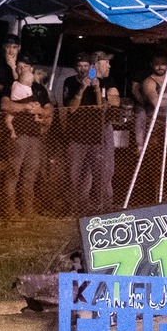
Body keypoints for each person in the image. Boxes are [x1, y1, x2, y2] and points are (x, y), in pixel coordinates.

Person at [62, 49, 121, 212]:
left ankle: (104, 205)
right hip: (77, 135)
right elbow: (71, 109)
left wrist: (96, 89)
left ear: (91, 67)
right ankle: (76, 206)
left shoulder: (101, 82)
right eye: (79, 66)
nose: (83, 69)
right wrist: (82, 88)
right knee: (75, 174)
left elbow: (101, 109)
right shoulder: (70, 82)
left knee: (101, 172)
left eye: (86, 66)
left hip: (96, 135)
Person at [0, 66, 52, 219]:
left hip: (34, 136)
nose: (23, 69)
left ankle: (27, 210)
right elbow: (5, 105)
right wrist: (24, 107)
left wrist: (40, 112)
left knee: (30, 173)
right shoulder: (12, 86)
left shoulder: (39, 89)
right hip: (19, 136)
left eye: (26, 68)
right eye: (20, 67)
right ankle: (10, 210)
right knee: (13, 172)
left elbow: (48, 110)